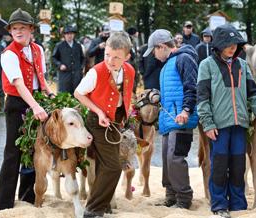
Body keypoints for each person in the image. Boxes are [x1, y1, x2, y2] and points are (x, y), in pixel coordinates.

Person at [197, 24, 256, 218]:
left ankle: (238, 203)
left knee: (239, 165)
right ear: (219, 44)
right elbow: (202, 98)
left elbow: (254, 94)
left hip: (240, 124)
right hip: (218, 126)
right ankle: (219, 205)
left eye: (236, 44)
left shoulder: (242, 65)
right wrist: (207, 123)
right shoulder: (206, 65)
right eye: (229, 44)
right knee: (220, 166)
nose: (233, 47)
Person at [0, 8, 55, 211]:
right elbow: (19, 85)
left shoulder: (38, 49)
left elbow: (41, 77)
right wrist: (35, 106)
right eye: (14, 28)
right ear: (10, 31)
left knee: (34, 150)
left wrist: (50, 94)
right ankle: (3, 204)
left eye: (22, 28)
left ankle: (28, 198)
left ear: (31, 29)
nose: (18, 32)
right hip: (17, 103)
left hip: (36, 100)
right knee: (13, 152)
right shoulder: (9, 54)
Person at [74, 31, 135, 217]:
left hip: (116, 121)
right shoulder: (96, 71)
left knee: (103, 165)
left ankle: (105, 205)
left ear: (127, 57)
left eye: (116, 57)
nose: (110, 60)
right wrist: (99, 111)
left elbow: (124, 94)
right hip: (97, 121)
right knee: (114, 166)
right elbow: (78, 93)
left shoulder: (130, 71)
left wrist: (126, 111)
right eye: (107, 55)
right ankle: (92, 209)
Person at [143, 29, 198, 209]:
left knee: (175, 158)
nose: (153, 54)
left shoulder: (184, 59)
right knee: (167, 159)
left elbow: (192, 87)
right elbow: (172, 92)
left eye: (154, 50)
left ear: (161, 46)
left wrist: (186, 110)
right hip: (168, 121)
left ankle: (184, 199)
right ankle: (171, 196)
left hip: (181, 119)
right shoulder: (167, 65)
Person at [52, 25, 85, 95]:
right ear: (64, 35)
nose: (69, 35)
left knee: (77, 95)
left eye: (71, 34)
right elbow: (54, 58)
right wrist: (60, 65)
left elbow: (83, 58)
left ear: (74, 35)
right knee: (64, 95)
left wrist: (81, 68)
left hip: (76, 76)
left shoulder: (78, 46)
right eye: (67, 34)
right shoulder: (59, 46)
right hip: (65, 76)